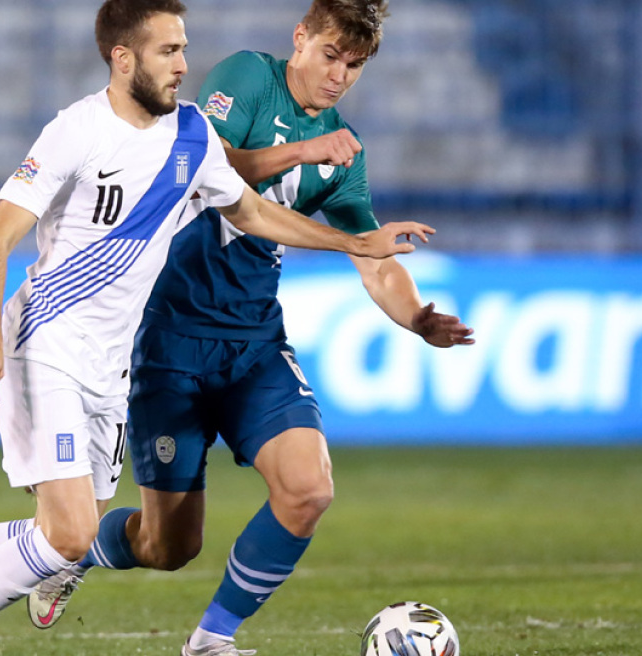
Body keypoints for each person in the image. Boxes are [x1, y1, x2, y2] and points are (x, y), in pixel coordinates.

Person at [0, 1, 435, 654]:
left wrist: (358, 246)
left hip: (114, 360)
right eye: (168, 51)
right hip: (51, 341)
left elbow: (256, 214)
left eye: (183, 49)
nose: (185, 64)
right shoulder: (76, 130)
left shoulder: (191, 138)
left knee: (70, 533)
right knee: (67, 535)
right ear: (124, 59)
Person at [26, 1, 475, 654]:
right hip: (167, 342)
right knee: (168, 546)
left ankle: (211, 641)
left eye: (354, 65)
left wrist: (416, 316)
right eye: (330, 56)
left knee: (309, 489)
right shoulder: (247, 79)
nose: (339, 76)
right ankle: (76, 551)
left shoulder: (343, 157)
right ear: (300, 40)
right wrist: (302, 148)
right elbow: (209, 167)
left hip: (254, 344)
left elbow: (370, 252)